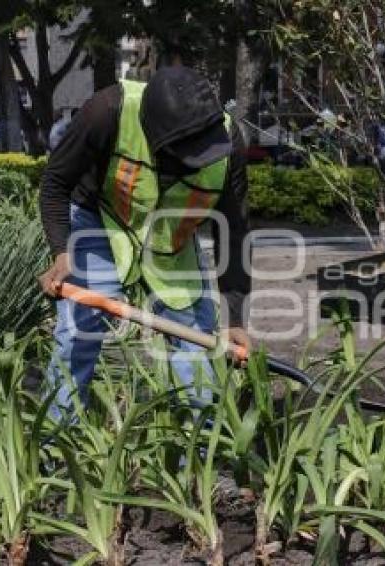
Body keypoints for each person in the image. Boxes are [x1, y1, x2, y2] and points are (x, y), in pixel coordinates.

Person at [39, 65, 251, 419]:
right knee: (76, 336)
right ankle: (53, 450)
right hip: (101, 223)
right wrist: (62, 252)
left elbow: (233, 231)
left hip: (171, 239)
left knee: (196, 347)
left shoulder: (229, 145)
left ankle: (201, 458)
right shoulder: (106, 112)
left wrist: (235, 317)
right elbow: (55, 184)